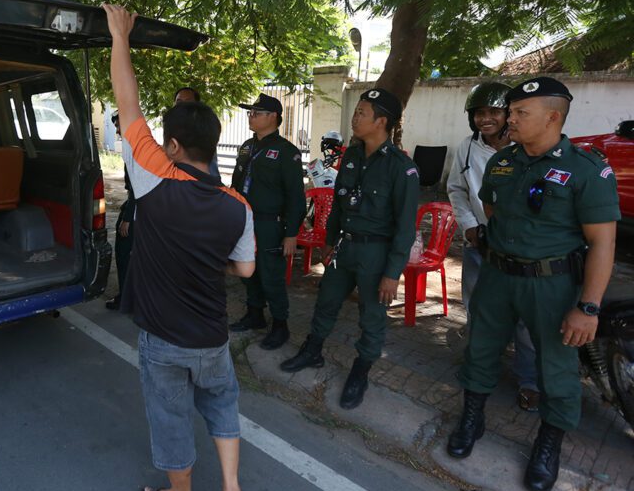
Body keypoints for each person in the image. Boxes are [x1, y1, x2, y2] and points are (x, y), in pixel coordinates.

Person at [104, 3, 257, 491]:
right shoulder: (238, 207)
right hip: (212, 335)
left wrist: (119, 37)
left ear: (171, 145)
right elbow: (246, 271)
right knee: (221, 403)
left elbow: (127, 105)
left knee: (170, 416)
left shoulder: (154, 178)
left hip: (164, 338)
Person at [447, 76, 619, 491]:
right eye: (512, 111)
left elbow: (602, 243)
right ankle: (473, 417)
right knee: (481, 348)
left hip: (552, 286)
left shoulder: (586, 169)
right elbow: (491, 208)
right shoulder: (503, 162)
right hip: (497, 277)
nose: (511, 119)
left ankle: (549, 442)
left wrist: (589, 307)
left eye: (521, 113)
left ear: (553, 117)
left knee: (556, 368)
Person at [280, 88, 419, 410]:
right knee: (326, 301)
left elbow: (405, 227)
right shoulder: (352, 157)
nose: (355, 118)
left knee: (372, 316)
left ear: (381, 121)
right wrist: (328, 243)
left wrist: (392, 273)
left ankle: (361, 370)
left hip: (377, 253)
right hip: (345, 247)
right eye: (356, 111)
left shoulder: (401, 168)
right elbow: (340, 206)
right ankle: (312, 350)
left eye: (362, 113)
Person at [446, 82, 539, 412]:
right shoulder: (466, 148)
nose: (486, 119)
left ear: (507, 114)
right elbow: (456, 189)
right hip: (480, 246)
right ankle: (481, 367)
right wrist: (469, 226)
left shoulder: (526, 146)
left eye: (494, 112)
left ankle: (529, 379)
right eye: (479, 113)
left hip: (520, 249)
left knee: (525, 318)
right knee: (478, 310)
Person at [228, 93, 305, 350]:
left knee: (271, 274)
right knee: (247, 269)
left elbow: (296, 196)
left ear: (273, 117)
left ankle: (280, 325)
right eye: (250, 112)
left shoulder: (287, 153)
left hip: (270, 224)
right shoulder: (247, 147)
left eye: (256, 113)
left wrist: (291, 233)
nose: (251, 116)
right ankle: (255, 314)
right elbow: (236, 184)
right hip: (243, 220)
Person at [106, 112, 135, 311]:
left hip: (137, 209)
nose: (117, 130)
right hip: (137, 206)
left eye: (119, 126)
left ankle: (127, 298)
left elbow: (137, 188)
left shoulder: (134, 149)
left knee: (125, 253)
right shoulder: (134, 147)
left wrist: (127, 217)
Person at [174, 86, 222, 179]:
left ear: (197, 105)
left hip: (202, 185)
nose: (182, 105)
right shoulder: (173, 126)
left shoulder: (204, 128)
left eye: (188, 101)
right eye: (179, 101)